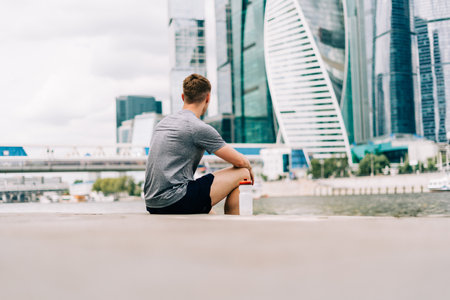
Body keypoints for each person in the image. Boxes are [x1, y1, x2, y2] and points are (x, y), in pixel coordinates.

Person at [144, 74, 254, 215]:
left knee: (210, 214)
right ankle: (235, 225)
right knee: (242, 173)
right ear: (208, 98)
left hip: (153, 203)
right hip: (175, 200)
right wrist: (249, 169)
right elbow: (240, 161)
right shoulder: (197, 127)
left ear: (183, 97)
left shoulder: (162, 123)